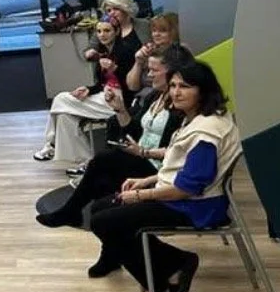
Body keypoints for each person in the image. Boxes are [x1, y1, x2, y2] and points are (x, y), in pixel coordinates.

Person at [86, 61, 241, 292]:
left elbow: (187, 188)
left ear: (203, 90)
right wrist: (147, 180)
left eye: (185, 86)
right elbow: (180, 166)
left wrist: (142, 196)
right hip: (184, 197)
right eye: (173, 85)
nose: (176, 92)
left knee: (103, 221)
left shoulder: (206, 133)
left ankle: (164, 277)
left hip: (195, 205)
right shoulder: (200, 119)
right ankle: (169, 265)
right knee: (99, 210)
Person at [36, 45, 192, 230]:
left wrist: (143, 152)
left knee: (102, 161)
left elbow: (176, 153)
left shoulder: (181, 107)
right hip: (141, 158)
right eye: (148, 69)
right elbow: (134, 131)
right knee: (100, 185)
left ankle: (71, 212)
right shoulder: (154, 97)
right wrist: (120, 109)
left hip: (157, 168)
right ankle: (85, 215)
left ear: (172, 73)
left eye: (154, 70)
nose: (148, 75)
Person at [33, 20, 125, 165]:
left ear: (116, 32)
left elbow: (128, 83)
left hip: (118, 99)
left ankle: (51, 144)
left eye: (107, 31)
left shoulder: (123, 51)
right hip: (104, 95)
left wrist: (115, 69)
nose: (102, 35)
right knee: (64, 116)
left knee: (60, 98)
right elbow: (102, 82)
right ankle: (87, 161)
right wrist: (89, 89)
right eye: (99, 31)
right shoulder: (103, 52)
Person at [126, 12, 180, 92]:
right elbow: (132, 86)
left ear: (174, 31)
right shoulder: (148, 50)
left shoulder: (179, 54)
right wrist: (138, 62)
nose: (156, 34)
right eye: (154, 30)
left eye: (162, 31)